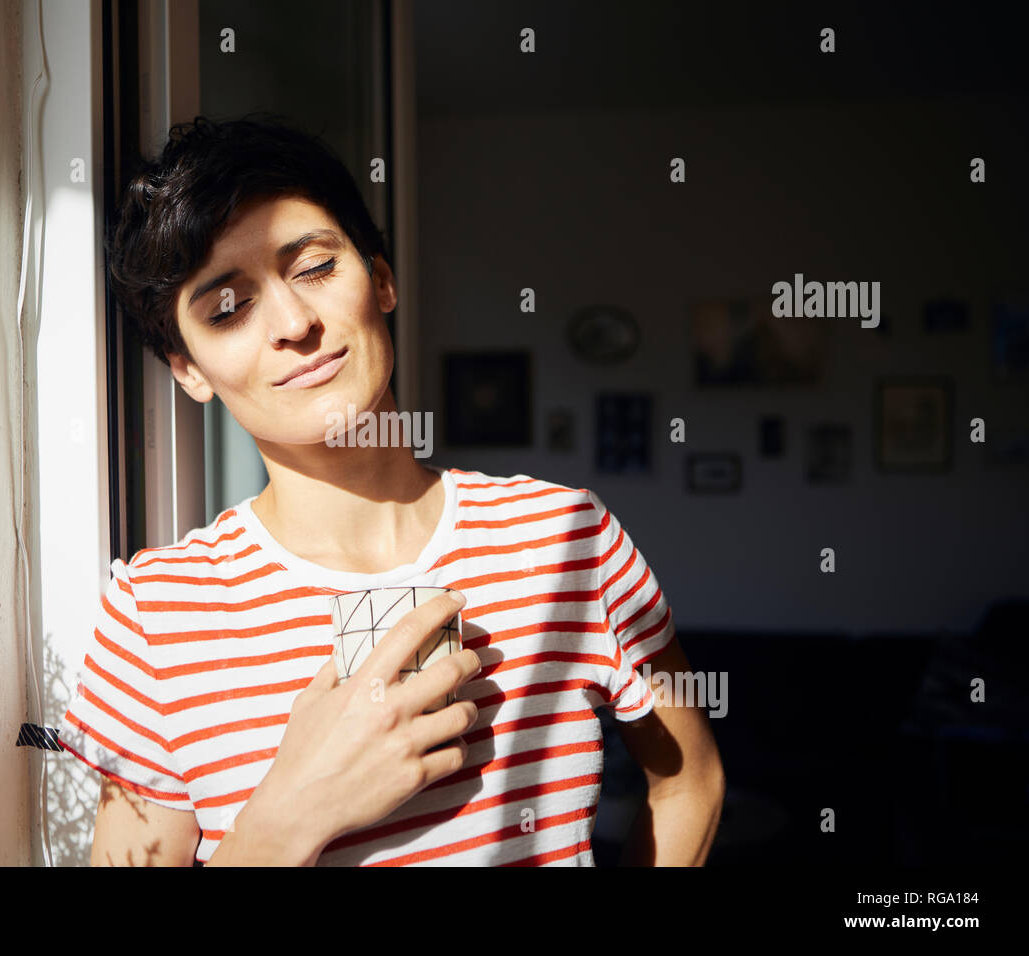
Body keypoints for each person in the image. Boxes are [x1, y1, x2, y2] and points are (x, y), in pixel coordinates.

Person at [58, 114, 725, 866]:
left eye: (313, 267)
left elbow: (690, 779)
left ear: (379, 277)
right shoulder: (157, 614)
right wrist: (284, 821)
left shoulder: (569, 538)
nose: (294, 322)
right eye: (226, 308)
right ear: (189, 371)